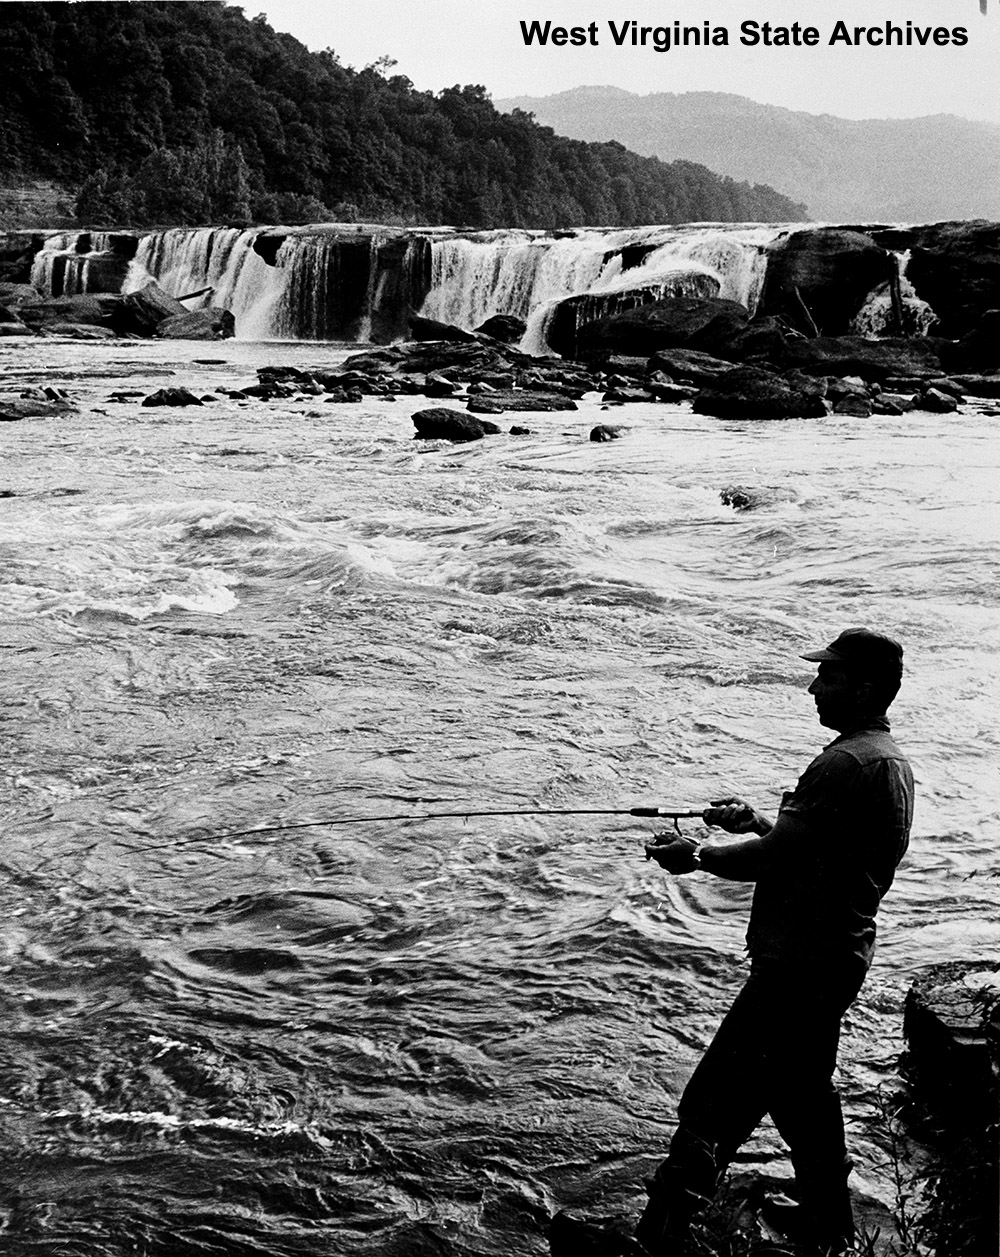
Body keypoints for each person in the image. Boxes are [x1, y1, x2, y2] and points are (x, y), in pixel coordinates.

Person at [636, 628, 914, 1257]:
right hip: (834, 958)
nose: (815, 687)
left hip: (798, 968)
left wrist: (697, 855)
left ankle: (660, 1238)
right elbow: (819, 853)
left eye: (831, 677)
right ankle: (831, 1227)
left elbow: (779, 858)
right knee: (803, 1095)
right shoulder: (883, 759)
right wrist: (757, 820)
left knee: (711, 1103)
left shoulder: (844, 763)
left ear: (867, 687)